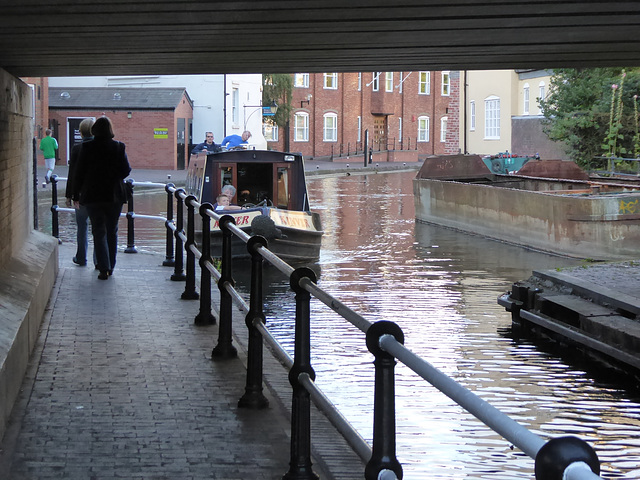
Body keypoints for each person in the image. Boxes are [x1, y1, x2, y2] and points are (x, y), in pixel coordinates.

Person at [73, 116, 131, 280]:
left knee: (98, 231)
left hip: (93, 195)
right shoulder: (119, 147)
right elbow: (126, 170)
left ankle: (103, 267)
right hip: (114, 195)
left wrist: (76, 193)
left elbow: (80, 173)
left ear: (95, 130)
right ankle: (111, 265)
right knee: (112, 230)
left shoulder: (87, 147)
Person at [65, 118, 94, 267]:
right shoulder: (100, 146)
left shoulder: (77, 148)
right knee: (98, 228)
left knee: (81, 227)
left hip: (81, 195)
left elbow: (73, 174)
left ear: (81, 132)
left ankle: (81, 257)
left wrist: (69, 195)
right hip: (97, 195)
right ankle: (99, 261)